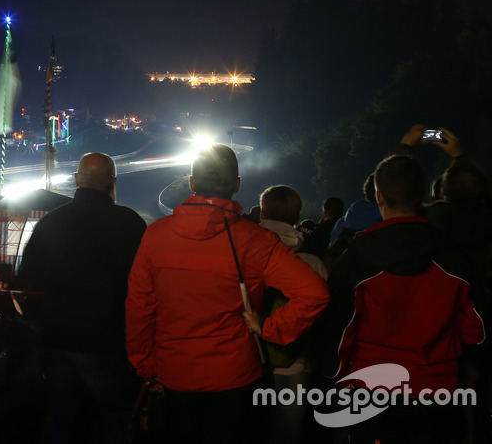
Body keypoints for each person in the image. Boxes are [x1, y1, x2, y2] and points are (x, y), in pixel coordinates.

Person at [125, 144, 329, 444]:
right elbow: (315, 293)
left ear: (192, 183)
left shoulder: (155, 235)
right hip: (236, 378)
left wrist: (147, 367)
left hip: (175, 375)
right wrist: (270, 327)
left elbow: (140, 307)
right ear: (237, 185)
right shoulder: (256, 240)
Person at [317, 154, 486, 444]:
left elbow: (339, 329)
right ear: (423, 195)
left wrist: (333, 370)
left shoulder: (358, 257)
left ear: (379, 197)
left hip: (371, 390)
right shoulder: (453, 255)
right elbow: (477, 330)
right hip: (437, 391)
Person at [19, 152, 147, 444]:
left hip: (58, 339)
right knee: (114, 419)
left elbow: (28, 277)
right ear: (113, 183)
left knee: (64, 420)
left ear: (76, 180)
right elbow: (144, 284)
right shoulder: (130, 224)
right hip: (106, 341)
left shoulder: (52, 222)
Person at [258, 185, 328, 444]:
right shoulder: (313, 262)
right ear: (298, 217)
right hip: (295, 364)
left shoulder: (241, 254)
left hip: (245, 364)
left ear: (262, 213)